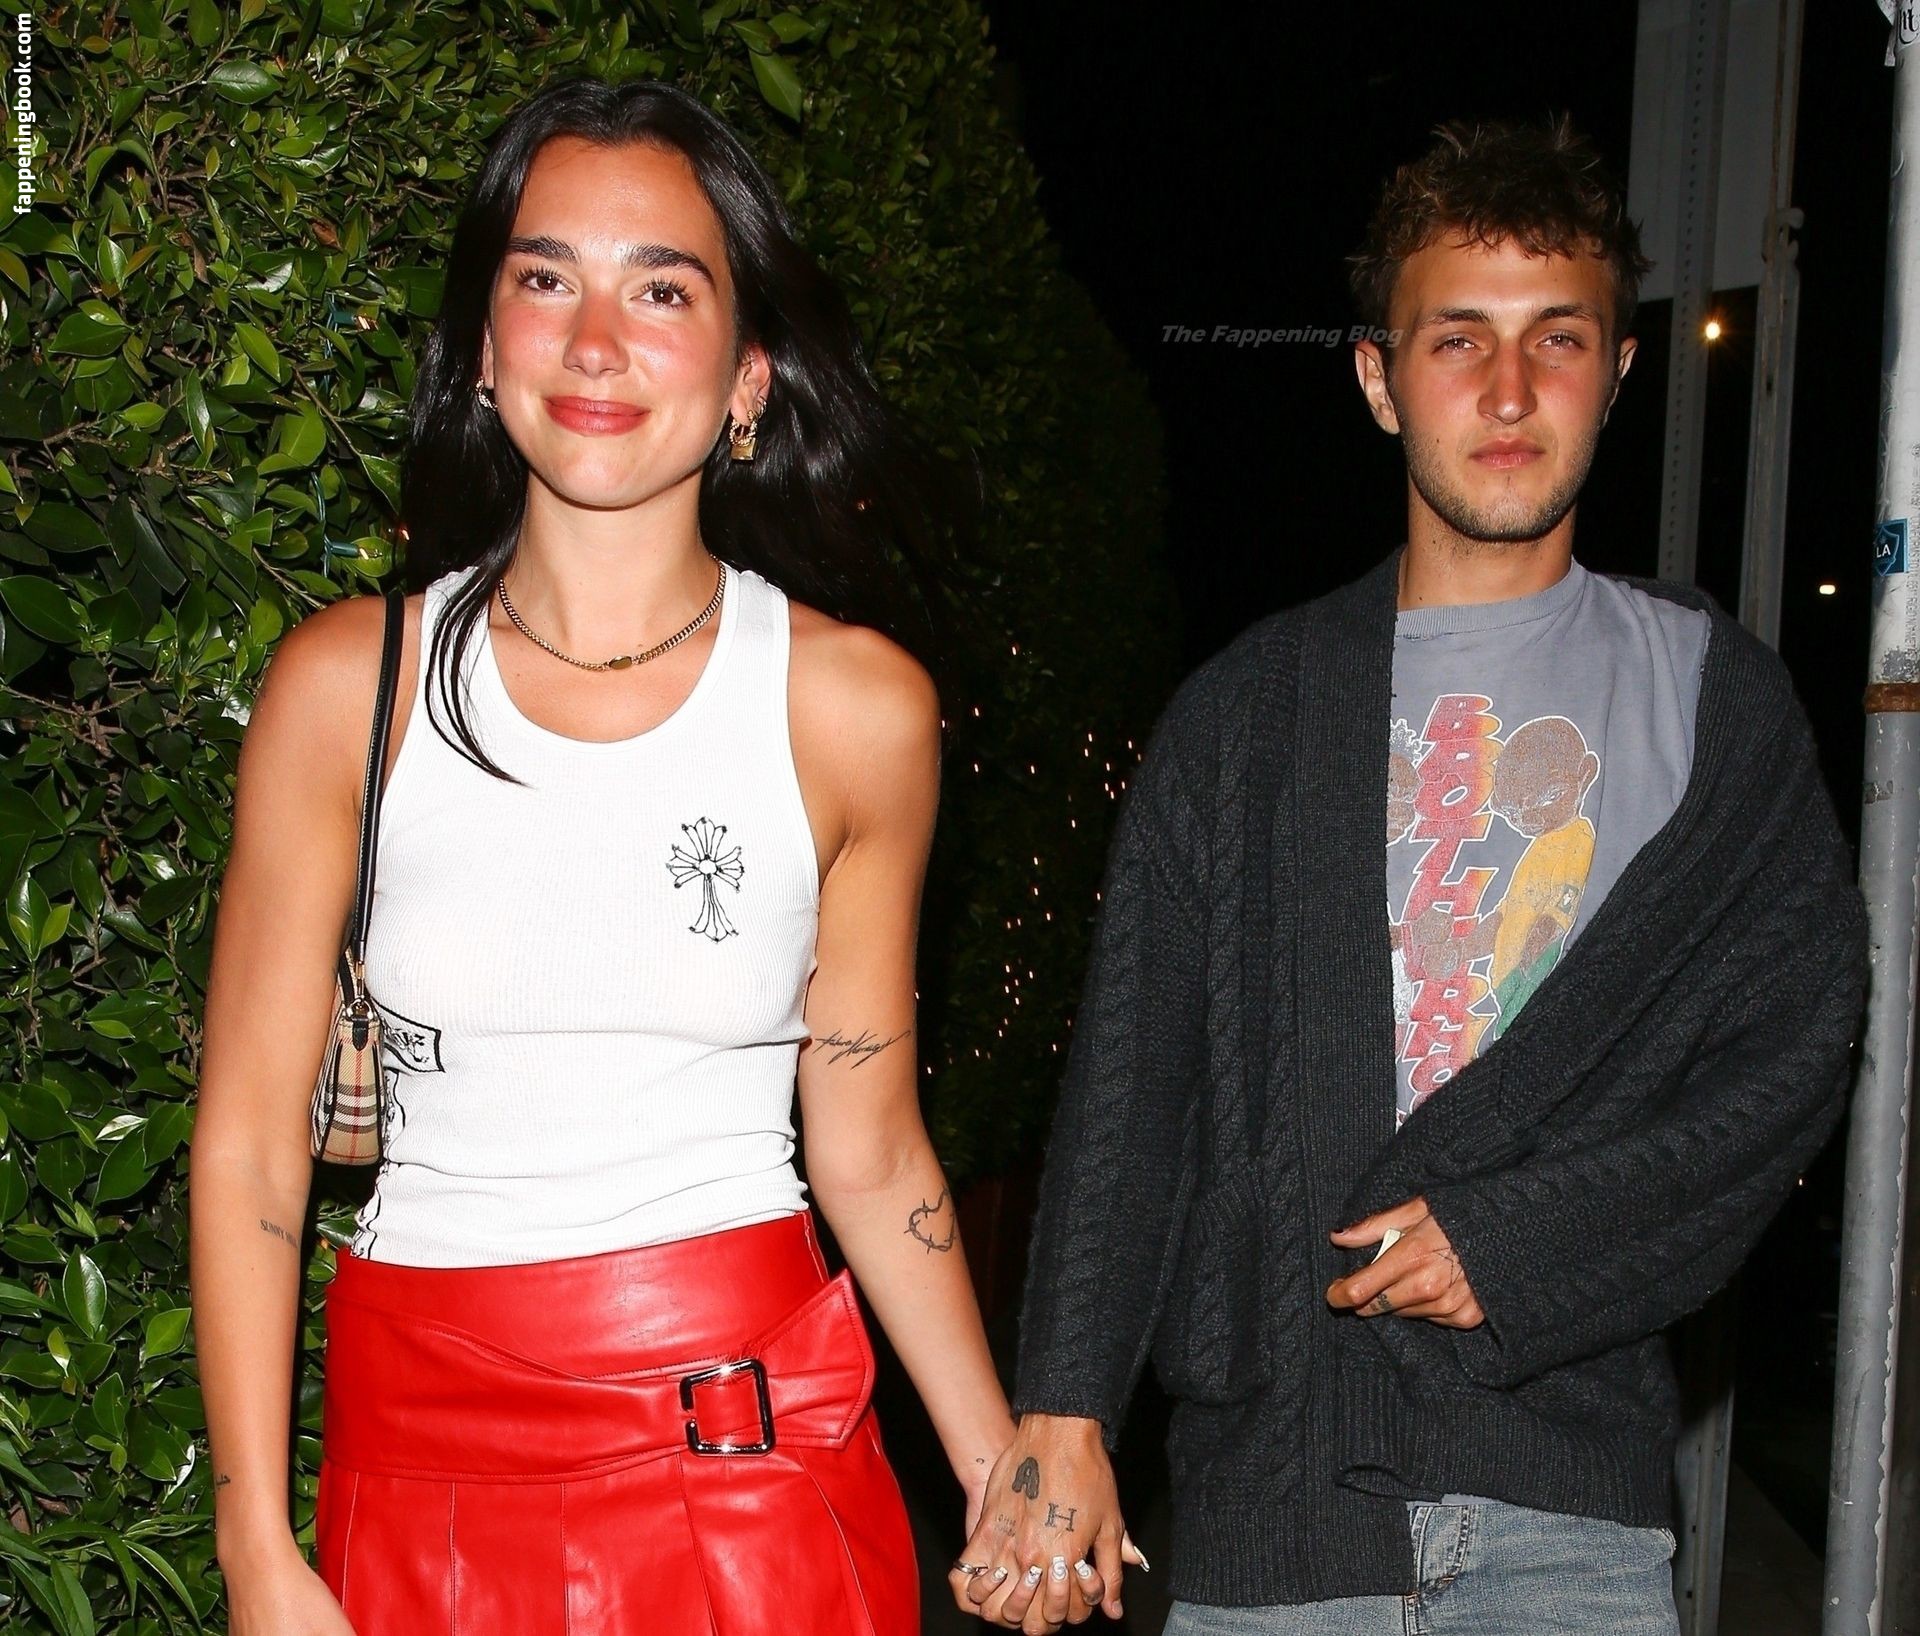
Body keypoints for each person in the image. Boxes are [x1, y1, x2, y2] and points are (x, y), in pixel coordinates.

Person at [950, 115, 1868, 1635]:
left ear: (1618, 371)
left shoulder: (1717, 703)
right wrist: (1065, 1408)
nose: (1509, 391)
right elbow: (1134, 1082)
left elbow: (1793, 1051)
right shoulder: (1247, 714)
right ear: (1380, 380)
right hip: (1275, 1509)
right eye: (1458, 340)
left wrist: (1524, 1243)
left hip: (1571, 1517)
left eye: (1557, 337)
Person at [188, 77, 1016, 1636]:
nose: (593, 341)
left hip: (747, 1464)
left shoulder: (853, 708)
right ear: (483, 345)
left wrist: (995, 1467)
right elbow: (246, 1150)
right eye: (545, 277)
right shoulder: (344, 690)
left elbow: (868, 1145)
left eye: (663, 290)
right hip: (416, 1460)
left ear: (749, 376)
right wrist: (256, 1552)